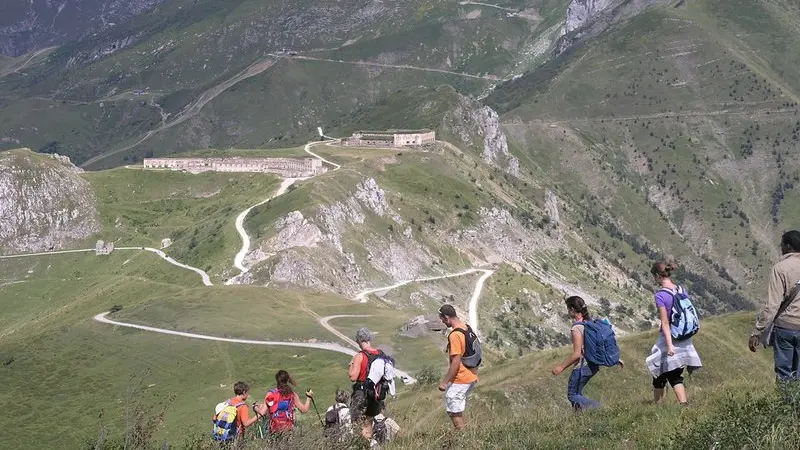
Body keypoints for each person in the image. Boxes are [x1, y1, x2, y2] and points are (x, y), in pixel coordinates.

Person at [552, 296, 624, 410]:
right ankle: (579, 421)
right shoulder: (591, 323)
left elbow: (576, 354)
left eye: (568, 309)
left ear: (572, 309)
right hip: (593, 365)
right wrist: (616, 358)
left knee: (573, 395)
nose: (568, 311)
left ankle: (600, 408)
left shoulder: (577, 328)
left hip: (582, 366)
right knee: (578, 393)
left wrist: (561, 367)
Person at [646, 262, 702, 405]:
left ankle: (680, 405)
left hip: (670, 338)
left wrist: (670, 346)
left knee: (665, 372)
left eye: (654, 276)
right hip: (684, 335)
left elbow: (665, 322)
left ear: (658, 276)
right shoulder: (681, 289)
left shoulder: (660, 295)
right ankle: (660, 406)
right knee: (664, 372)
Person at [749, 230, 800, 389]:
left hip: (785, 327)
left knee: (784, 372)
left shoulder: (780, 268)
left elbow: (772, 305)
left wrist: (757, 331)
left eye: (782, 245)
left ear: (787, 246)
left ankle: (786, 409)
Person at [437, 304, 478, 430]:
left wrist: (445, 382)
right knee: (455, 409)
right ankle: (466, 434)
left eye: (443, 319)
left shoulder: (455, 335)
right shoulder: (467, 328)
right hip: (471, 374)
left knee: (454, 411)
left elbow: (456, 360)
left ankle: (464, 439)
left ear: (447, 317)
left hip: (461, 378)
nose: (443, 322)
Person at [348, 328, 386, 440]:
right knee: (368, 422)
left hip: (361, 394)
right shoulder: (380, 354)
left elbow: (353, 377)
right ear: (369, 339)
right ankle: (369, 441)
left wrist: (351, 364)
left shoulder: (360, 356)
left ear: (359, 341)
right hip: (376, 393)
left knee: (357, 422)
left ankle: (362, 444)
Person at [261, 370, 313, 436]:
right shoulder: (292, 394)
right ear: (288, 380)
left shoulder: (271, 393)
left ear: (277, 380)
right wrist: (308, 398)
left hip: (274, 429)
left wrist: (255, 407)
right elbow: (304, 410)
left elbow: (262, 412)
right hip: (288, 428)